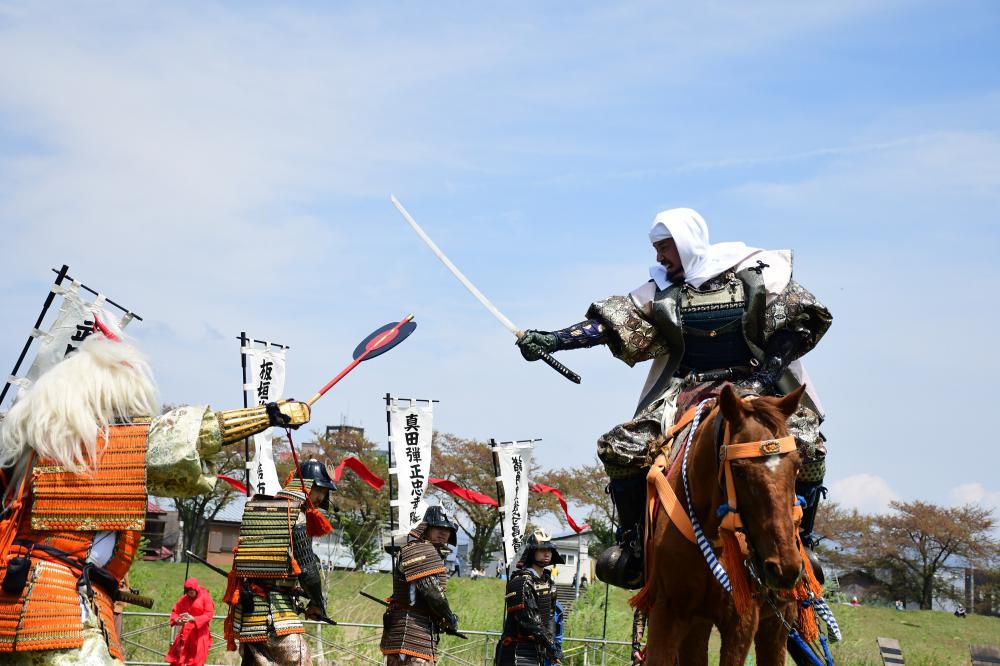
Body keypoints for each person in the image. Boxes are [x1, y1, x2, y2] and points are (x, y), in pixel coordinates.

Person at [517, 208, 832, 589]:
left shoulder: (758, 274)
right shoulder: (661, 292)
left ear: (688, 244)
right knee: (622, 446)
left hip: (756, 389)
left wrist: (764, 379)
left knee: (808, 445)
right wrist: (554, 339)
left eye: (665, 249)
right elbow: (607, 325)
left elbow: (798, 326)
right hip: (685, 391)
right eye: (657, 249)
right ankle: (634, 543)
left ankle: (804, 540)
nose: (659, 258)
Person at [0, 318, 311, 665]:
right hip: (56, 607)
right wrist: (268, 415)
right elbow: (181, 440)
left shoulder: (34, 456)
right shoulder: (90, 451)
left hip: (35, 598)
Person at [225, 459, 335, 666]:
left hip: (250, 611)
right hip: (274, 612)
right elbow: (308, 570)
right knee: (299, 660)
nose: (322, 497)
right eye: (320, 490)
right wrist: (317, 603)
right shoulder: (296, 516)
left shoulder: (261, 508)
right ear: (308, 487)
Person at [380, 506, 461, 665]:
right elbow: (432, 593)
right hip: (411, 630)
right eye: (438, 527)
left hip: (410, 629)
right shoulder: (420, 549)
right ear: (426, 528)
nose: (443, 532)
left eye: (447, 529)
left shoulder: (424, 549)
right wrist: (449, 618)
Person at [495, 530, 565, 666]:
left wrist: (551, 646)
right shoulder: (520, 581)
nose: (547, 553)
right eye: (542, 549)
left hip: (538, 650)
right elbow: (529, 621)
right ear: (532, 552)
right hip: (517, 651)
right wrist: (551, 645)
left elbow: (549, 617)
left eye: (549, 549)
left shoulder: (548, 582)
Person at [167, 577, 215, 666]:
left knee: (197, 662)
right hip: (185, 633)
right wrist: (178, 620)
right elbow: (175, 612)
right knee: (177, 659)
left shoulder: (205, 596)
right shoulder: (184, 599)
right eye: (188, 593)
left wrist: (193, 619)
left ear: (196, 589)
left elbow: (209, 614)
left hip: (200, 633)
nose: (190, 594)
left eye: (192, 592)